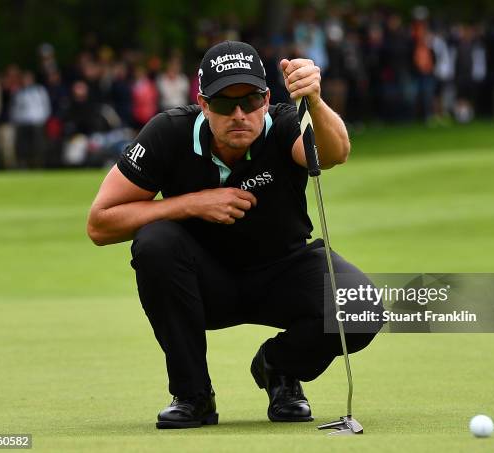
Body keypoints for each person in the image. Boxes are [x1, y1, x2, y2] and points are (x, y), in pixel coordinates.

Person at [87, 41, 382, 429]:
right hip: (206, 285)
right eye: (225, 103)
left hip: (284, 271)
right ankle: (194, 396)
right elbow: (101, 223)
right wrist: (192, 203)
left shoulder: (283, 123)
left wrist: (314, 99)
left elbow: (334, 152)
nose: (240, 114)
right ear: (203, 103)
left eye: (251, 100)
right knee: (155, 242)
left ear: (266, 99)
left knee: (362, 307)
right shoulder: (168, 133)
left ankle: (278, 368)